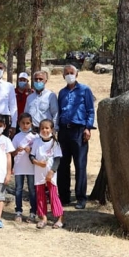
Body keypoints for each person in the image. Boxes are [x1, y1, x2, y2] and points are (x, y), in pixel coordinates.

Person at [57, 65, 95, 209]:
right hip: (63, 132)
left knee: (80, 165)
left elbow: (90, 110)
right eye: (66, 73)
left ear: (77, 74)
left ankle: (80, 198)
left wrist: (88, 128)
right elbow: (59, 111)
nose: (69, 75)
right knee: (63, 165)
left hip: (79, 131)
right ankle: (64, 197)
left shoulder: (85, 90)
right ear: (63, 76)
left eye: (71, 73)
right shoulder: (61, 93)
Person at [30, 119, 64, 229]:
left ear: (52, 130)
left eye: (47, 128)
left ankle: (59, 218)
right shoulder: (36, 142)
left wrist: (51, 172)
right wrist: (38, 163)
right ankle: (43, 217)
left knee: (53, 195)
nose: (45, 130)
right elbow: (31, 156)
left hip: (50, 175)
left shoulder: (55, 143)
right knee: (40, 195)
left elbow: (57, 160)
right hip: (39, 173)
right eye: (42, 128)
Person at [11, 113, 37, 223]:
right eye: (23, 123)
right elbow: (12, 153)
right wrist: (17, 150)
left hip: (31, 168)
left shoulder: (35, 137)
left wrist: (30, 151)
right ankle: (18, 211)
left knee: (32, 190)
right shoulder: (17, 137)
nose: (25, 125)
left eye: (27, 123)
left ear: (31, 123)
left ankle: (33, 212)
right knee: (18, 190)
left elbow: (38, 152)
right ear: (19, 124)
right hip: (19, 167)